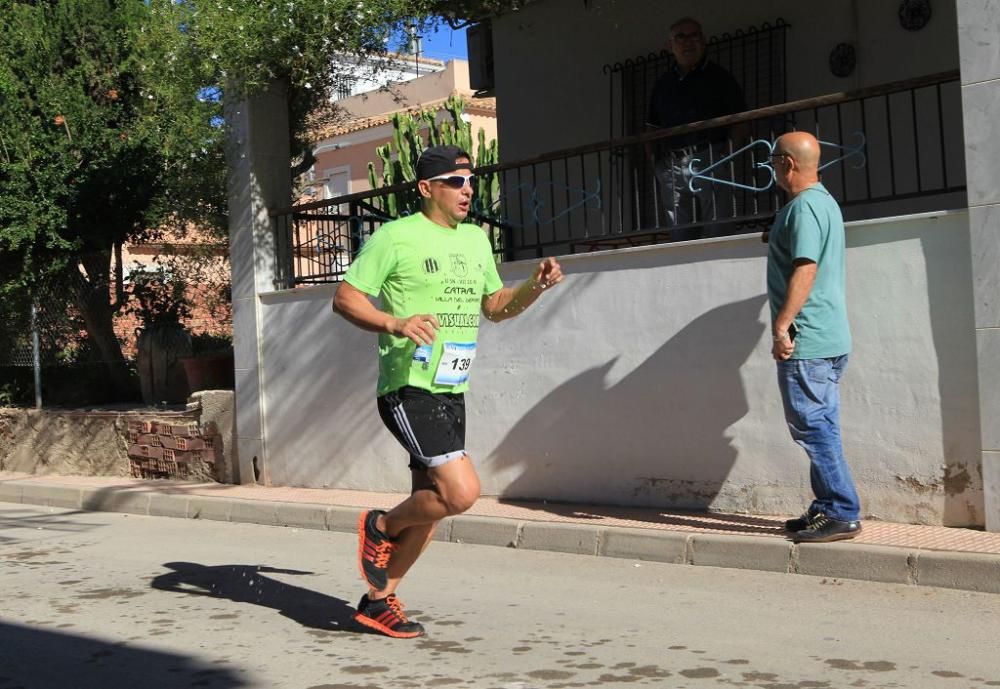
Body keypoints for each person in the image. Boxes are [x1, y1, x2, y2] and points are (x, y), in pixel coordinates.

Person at [332, 144, 564, 638]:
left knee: (432, 506)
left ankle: (378, 601)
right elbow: (345, 299)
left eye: (470, 181)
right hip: (407, 386)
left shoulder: (477, 241)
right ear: (426, 189)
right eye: (455, 182)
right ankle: (381, 527)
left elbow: (496, 306)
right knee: (461, 493)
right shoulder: (395, 237)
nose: (467, 190)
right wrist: (395, 322)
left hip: (452, 386)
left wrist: (535, 287)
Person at [766, 131, 862, 543]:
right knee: (821, 424)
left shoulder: (803, 209)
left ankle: (842, 510)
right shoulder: (825, 203)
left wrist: (782, 325)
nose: (771, 168)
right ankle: (825, 507)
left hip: (808, 340)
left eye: (773, 161)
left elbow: (806, 268)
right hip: (830, 338)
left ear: (788, 164)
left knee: (813, 426)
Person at [647, 17, 746, 239]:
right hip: (671, 163)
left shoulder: (719, 77)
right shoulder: (663, 84)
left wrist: (726, 156)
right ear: (670, 45)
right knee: (678, 233)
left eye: (694, 35)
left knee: (717, 230)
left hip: (711, 156)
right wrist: (656, 165)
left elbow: (741, 119)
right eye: (680, 37)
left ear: (704, 41)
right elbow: (651, 127)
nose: (688, 42)